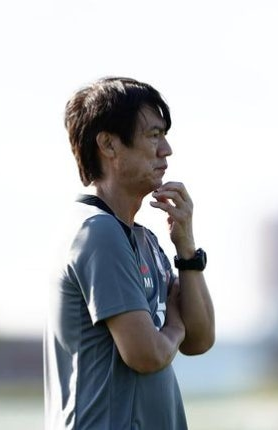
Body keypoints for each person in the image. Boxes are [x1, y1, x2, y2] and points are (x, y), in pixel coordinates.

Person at [44, 77, 215, 430]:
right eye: (154, 135)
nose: (166, 150)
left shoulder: (144, 239)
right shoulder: (97, 232)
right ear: (108, 144)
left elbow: (200, 340)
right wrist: (174, 325)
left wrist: (186, 250)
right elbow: (146, 355)